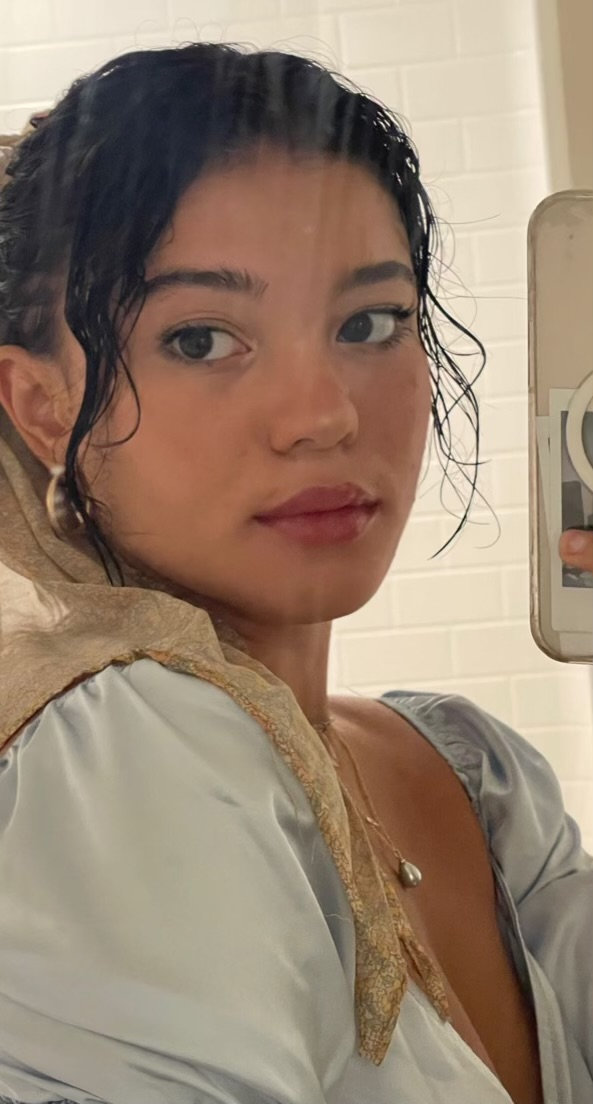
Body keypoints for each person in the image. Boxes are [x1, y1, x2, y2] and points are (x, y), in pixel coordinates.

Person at [0, 42, 590, 1104]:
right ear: (43, 408)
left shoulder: (466, 770)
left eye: (369, 323)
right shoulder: (115, 757)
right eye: (200, 340)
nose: (322, 413)